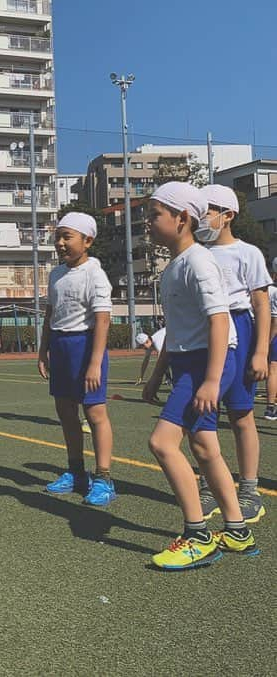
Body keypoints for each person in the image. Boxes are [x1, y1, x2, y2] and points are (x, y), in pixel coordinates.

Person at [142, 182, 257, 570]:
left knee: (162, 443)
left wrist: (211, 380)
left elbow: (220, 319)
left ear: (182, 219)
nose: (149, 221)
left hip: (212, 361)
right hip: (190, 361)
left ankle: (197, 535)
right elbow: (175, 334)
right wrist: (157, 375)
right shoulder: (176, 266)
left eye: (156, 213)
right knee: (205, 446)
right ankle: (237, 530)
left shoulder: (198, 262)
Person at [194, 184, 270, 523]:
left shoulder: (248, 253)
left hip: (239, 327)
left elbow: (260, 303)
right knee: (203, 415)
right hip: (205, 330)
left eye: (208, 210)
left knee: (241, 415)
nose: (202, 216)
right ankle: (210, 485)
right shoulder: (197, 253)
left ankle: (250, 489)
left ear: (228, 216)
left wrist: (261, 351)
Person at [37, 211, 116, 507]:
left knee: (95, 414)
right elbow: (50, 314)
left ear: (88, 240)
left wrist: (95, 362)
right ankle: (76, 472)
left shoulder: (95, 273)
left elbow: (103, 319)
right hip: (61, 347)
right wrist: (44, 349)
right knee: (66, 413)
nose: (60, 243)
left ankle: (104, 478)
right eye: (58, 236)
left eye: (67, 237)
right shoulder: (57, 274)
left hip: (86, 346)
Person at [266, 259, 277, 421]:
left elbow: (275, 322)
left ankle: (271, 406)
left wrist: (266, 342)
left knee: (273, 368)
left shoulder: (272, 292)